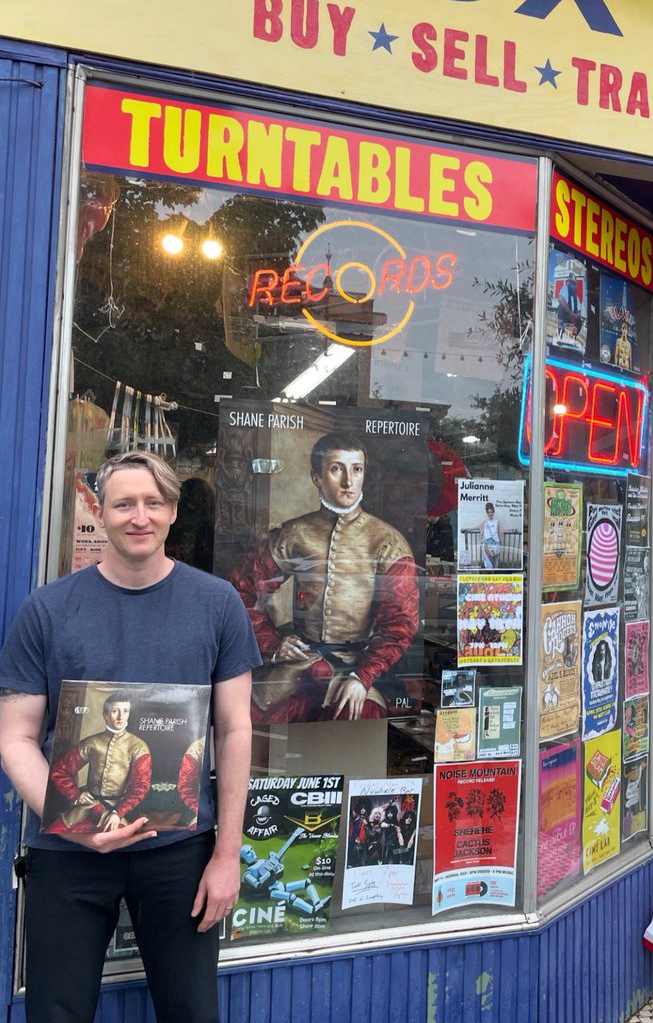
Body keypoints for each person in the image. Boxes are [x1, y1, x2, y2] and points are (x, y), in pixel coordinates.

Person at [0, 450, 260, 1023]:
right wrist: (74, 819)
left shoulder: (217, 604)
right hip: (68, 852)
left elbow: (236, 730)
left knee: (192, 1011)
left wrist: (227, 855)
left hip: (182, 854)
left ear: (172, 511)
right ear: (99, 509)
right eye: (123, 503)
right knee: (56, 1012)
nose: (138, 516)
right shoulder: (46, 610)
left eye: (153, 502)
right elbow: (14, 737)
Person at [230, 431, 420, 724]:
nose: (348, 482)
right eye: (336, 469)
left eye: (356, 470)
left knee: (355, 720)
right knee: (249, 718)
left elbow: (400, 623)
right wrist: (272, 643)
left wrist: (362, 677)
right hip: (297, 666)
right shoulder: (294, 534)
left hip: (356, 668)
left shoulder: (387, 542)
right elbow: (241, 592)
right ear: (317, 477)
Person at [46, 691, 152, 835]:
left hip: (116, 810)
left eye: (125, 711)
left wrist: (117, 813)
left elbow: (140, 786)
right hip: (85, 807)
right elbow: (60, 770)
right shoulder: (92, 743)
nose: (121, 716)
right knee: (53, 831)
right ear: (105, 715)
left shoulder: (139, 747)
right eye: (115, 711)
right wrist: (76, 795)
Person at [480, 501, 504, 569]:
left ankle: (491, 571)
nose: (490, 514)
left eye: (491, 512)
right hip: (488, 544)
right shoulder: (485, 523)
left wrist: (513, 529)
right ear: (487, 513)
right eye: (489, 512)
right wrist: (465, 528)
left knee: (493, 560)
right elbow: (476, 527)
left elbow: (502, 530)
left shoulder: (497, 522)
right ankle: (490, 571)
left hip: (496, 544)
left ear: (493, 512)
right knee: (489, 560)